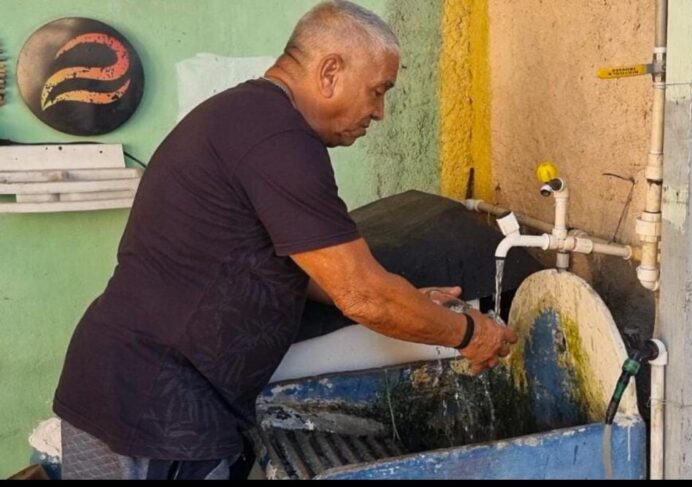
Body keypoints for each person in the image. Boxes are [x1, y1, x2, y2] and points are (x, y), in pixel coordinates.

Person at [53, 0, 517, 480]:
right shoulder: (279, 139)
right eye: (378, 91)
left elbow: (316, 275)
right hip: (158, 409)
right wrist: (467, 333)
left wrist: (411, 304)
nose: (379, 112)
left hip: (126, 386)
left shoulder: (247, 117)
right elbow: (361, 294)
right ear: (331, 71)